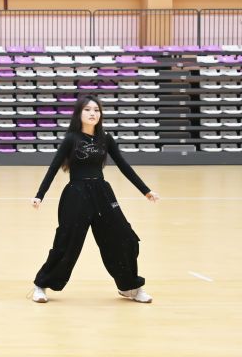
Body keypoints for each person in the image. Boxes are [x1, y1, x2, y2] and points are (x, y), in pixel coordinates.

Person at [30, 95, 159, 303]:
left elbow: (124, 165)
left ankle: (130, 287)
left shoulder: (105, 138)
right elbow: (53, 167)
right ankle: (41, 284)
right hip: (76, 194)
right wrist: (40, 195)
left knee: (124, 237)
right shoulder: (71, 139)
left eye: (96, 110)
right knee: (67, 242)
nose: (93, 113)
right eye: (88, 109)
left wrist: (146, 190)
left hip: (102, 193)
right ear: (79, 114)